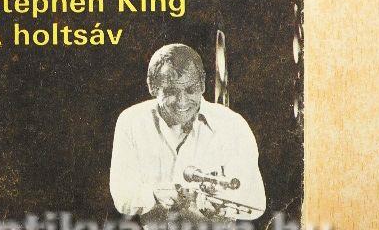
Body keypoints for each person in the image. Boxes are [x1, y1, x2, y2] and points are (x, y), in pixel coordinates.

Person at [110, 43, 266, 224]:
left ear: (202, 84)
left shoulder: (232, 124)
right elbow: (122, 197)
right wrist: (153, 195)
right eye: (171, 91)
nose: (182, 102)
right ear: (152, 86)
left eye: (191, 90)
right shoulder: (131, 121)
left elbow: (255, 203)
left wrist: (219, 204)